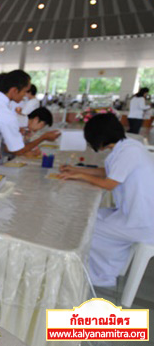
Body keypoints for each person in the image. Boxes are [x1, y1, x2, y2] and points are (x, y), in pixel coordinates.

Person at [59, 113, 154, 287]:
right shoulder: (128, 146)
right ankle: (109, 267)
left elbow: (109, 183)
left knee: (86, 228)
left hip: (142, 222)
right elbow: (109, 171)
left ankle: (101, 275)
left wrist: (81, 175)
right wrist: (76, 171)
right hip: (134, 214)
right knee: (91, 216)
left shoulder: (129, 152)